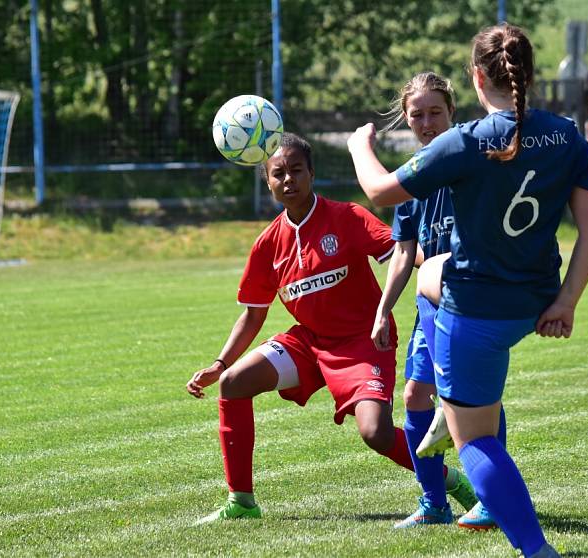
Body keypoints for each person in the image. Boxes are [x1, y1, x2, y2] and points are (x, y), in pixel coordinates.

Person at [347, 23, 588, 558]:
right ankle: (447, 393)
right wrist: (567, 301)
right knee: (428, 272)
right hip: (535, 303)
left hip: (477, 314)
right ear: (527, 75)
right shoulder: (567, 133)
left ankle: (537, 550)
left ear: (474, 76)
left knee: (476, 442)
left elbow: (377, 190)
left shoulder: (466, 141)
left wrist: (358, 146)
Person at [186, 132, 473, 524]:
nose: (288, 180)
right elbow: (253, 314)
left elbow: (402, 251)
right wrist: (220, 364)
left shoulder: (348, 217)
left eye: (296, 171)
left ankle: (446, 479)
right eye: (278, 174)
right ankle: (241, 502)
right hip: (309, 342)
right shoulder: (268, 244)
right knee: (234, 383)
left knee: (376, 433)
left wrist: (445, 263)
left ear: (312, 173)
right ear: (267, 183)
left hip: (363, 341)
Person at [372, 71, 492, 529]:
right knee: (415, 394)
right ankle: (434, 502)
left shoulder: (471, 161)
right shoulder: (411, 177)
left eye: (434, 112)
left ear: (452, 113)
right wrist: (384, 309)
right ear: (406, 120)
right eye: (416, 114)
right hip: (427, 304)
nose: (426, 122)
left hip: (468, 297)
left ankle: (488, 498)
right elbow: (403, 251)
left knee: (468, 401)